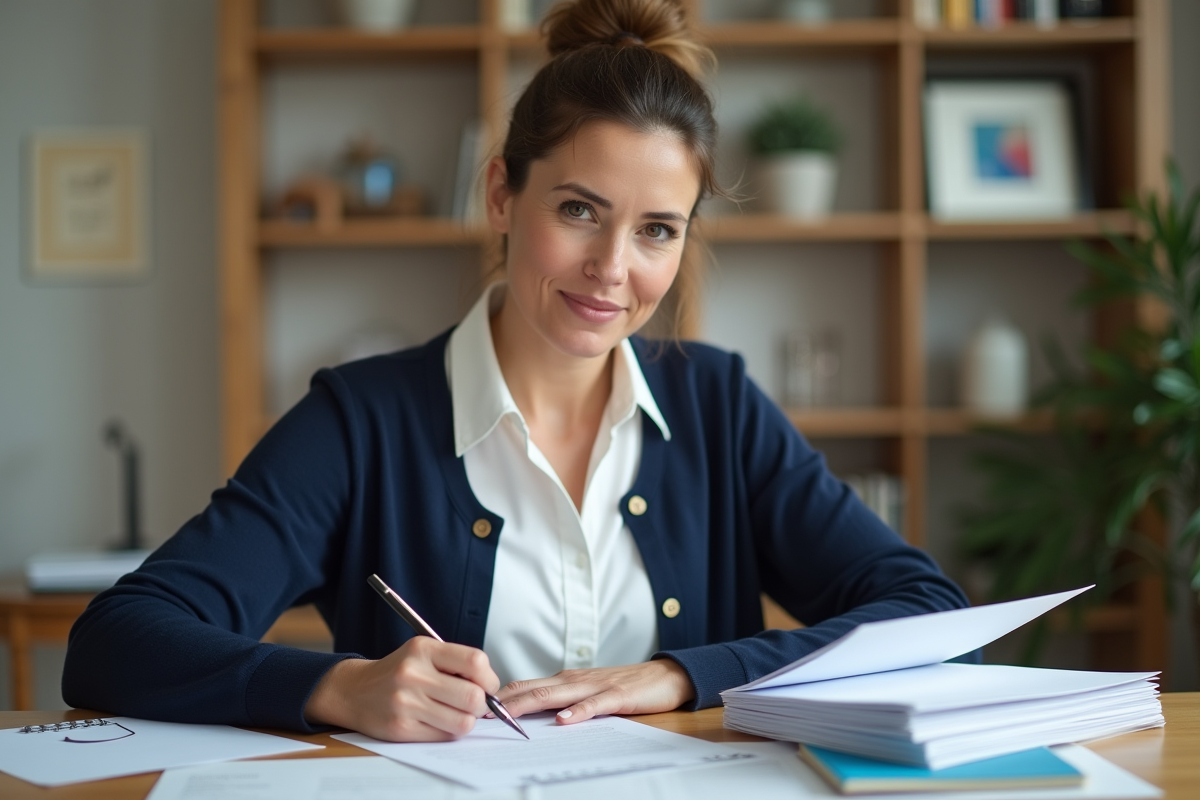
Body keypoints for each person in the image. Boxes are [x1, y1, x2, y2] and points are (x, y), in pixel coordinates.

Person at [63, 0, 972, 743]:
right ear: (501, 193)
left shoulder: (718, 406)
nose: (613, 268)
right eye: (579, 210)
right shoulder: (361, 420)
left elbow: (931, 617)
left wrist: (682, 674)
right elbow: (115, 644)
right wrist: (337, 688)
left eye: (658, 228)